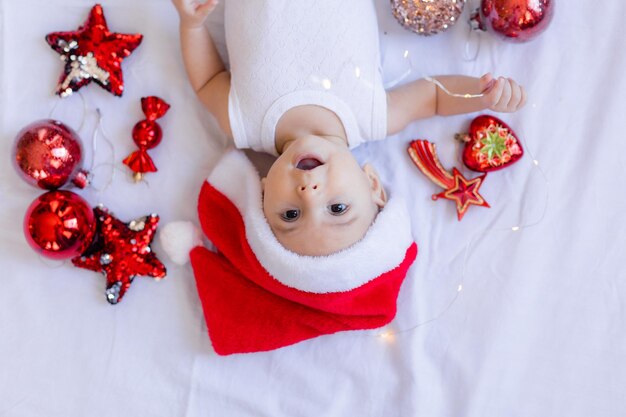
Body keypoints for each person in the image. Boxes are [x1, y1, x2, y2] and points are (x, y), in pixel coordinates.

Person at [170, 0, 526, 256]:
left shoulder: (244, 124)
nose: (309, 193)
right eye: (337, 208)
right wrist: (483, 96)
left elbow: (207, 80)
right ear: (372, 184)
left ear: (264, 193)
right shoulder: (372, 117)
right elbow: (434, 96)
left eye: (290, 215)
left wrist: (192, 26)